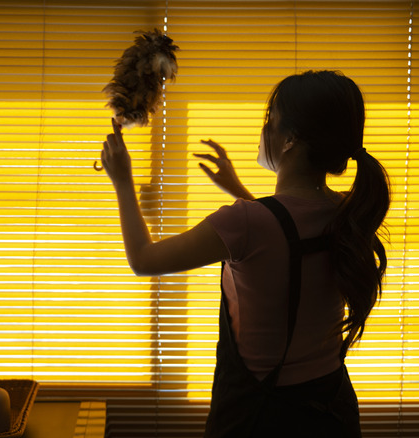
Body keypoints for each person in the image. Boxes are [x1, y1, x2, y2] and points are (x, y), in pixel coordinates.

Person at [100, 70, 390, 437]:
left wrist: (123, 179)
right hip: (331, 412)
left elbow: (143, 260)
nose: (263, 130)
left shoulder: (246, 223)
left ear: (290, 140)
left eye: (270, 120)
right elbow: (289, 242)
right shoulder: (348, 213)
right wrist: (237, 188)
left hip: (258, 418)